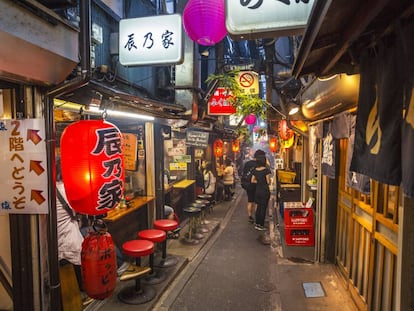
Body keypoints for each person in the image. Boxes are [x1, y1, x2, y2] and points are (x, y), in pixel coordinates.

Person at [241, 149, 265, 223]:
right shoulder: (259, 164)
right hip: (256, 184)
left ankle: (250, 216)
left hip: (248, 185)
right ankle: (256, 216)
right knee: (256, 202)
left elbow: (244, 173)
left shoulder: (247, 163)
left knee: (250, 201)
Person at [251, 153, 271, 231]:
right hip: (265, 191)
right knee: (263, 208)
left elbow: (252, 180)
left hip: (258, 191)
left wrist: (259, 182)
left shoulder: (255, 170)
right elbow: (268, 181)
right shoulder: (266, 170)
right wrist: (263, 182)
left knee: (258, 207)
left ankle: (257, 223)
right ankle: (261, 225)